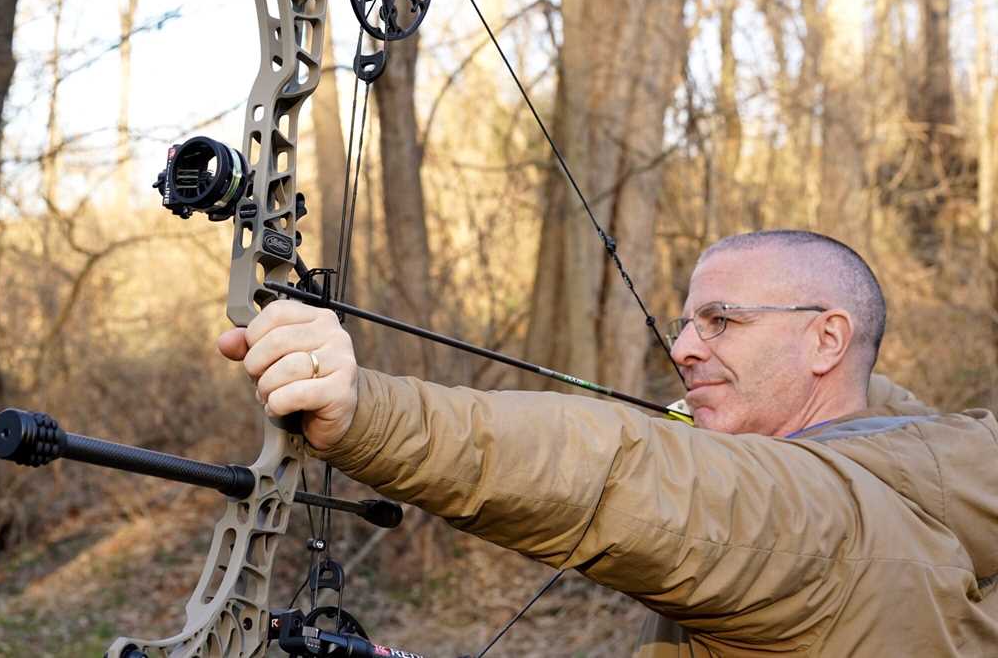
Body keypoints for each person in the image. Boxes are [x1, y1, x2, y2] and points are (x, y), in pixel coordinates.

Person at [218, 230, 998, 655]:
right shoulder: (931, 462)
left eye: (722, 320)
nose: (686, 347)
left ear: (828, 339)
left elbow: (617, 473)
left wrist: (367, 413)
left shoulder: (830, 526)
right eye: (688, 322)